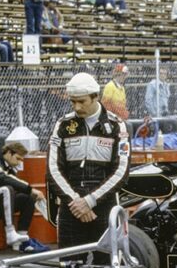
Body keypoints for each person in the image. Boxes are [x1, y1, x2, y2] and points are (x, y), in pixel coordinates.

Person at [47, 72, 130, 252]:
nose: (76, 107)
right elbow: (53, 168)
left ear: (96, 97)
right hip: (71, 205)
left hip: (104, 204)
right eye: (72, 101)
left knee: (107, 266)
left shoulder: (117, 126)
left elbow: (121, 170)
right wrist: (77, 202)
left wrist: (90, 201)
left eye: (81, 101)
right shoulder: (63, 125)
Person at [0, 142, 49, 253]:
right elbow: (5, 178)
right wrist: (31, 189)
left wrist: (31, 194)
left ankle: (21, 239)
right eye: (17, 158)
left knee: (28, 197)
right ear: (8, 153)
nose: (19, 163)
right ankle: (10, 232)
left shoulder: (8, 166)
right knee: (7, 189)